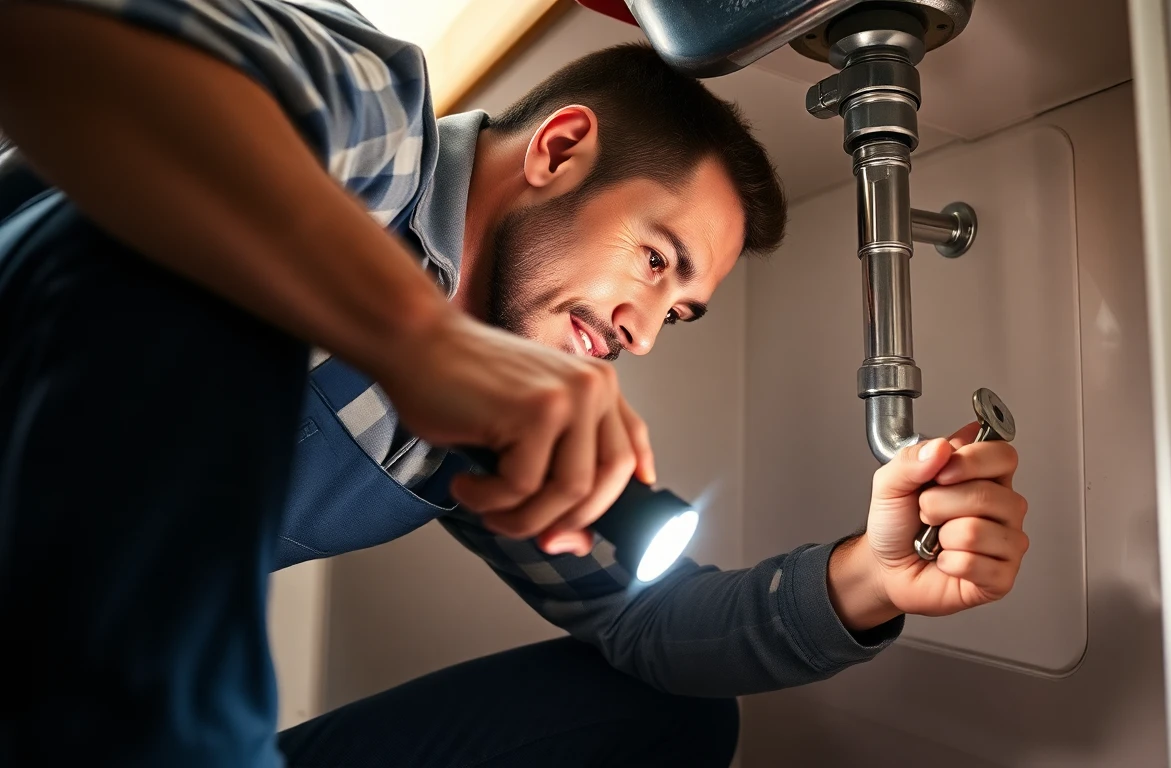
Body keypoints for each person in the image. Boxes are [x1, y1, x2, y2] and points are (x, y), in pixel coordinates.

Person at [0, 1, 1030, 766]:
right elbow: (53, 38)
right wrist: (415, 337)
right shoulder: (380, 127)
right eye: (657, 259)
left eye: (678, 314)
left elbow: (643, 626)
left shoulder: (491, 421)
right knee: (196, 272)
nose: (642, 330)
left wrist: (871, 578)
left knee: (658, 718)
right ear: (560, 148)